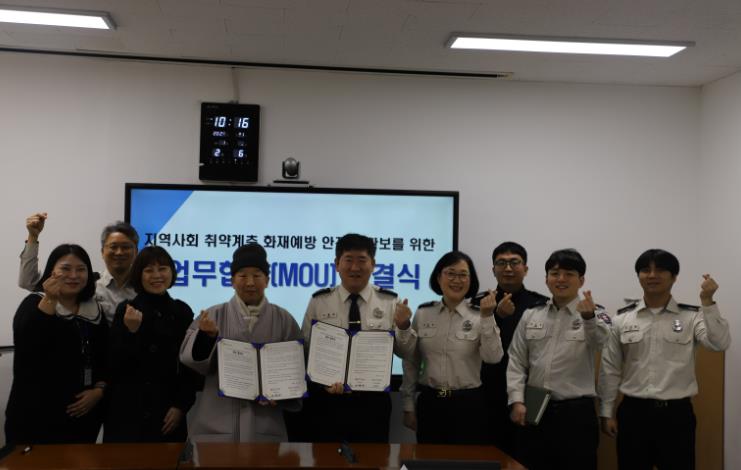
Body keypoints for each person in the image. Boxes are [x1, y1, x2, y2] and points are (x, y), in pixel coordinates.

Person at [597, 249, 731, 470]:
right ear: (638, 276)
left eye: (660, 270)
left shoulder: (692, 316)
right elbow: (610, 368)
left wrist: (708, 302)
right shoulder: (622, 318)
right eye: (645, 270)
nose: (652, 275)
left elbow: (719, 344)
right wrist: (606, 411)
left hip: (676, 416)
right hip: (633, 413)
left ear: (674, 277)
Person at [180, 243, 302, 442]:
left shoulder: (284, 319)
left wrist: (282, 394)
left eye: (257, 275)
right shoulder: (212, 315)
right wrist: (207, 337)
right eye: (242, 276)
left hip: (266, 426)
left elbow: (297, 369)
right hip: (216, 425)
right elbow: (191, 362)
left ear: (267, 280)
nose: (250, 282)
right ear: (232, 280)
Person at [300, 233, 413, 443]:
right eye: (348, 260)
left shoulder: (389, 301)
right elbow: (305, 351)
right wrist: (321, 382)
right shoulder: (319, 301)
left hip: (373, 403)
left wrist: (404, 325)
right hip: (328, 401)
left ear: (373, 264)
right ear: (337, 264)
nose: (355, 267)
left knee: (374, 458)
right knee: (326, 458)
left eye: (362, 260)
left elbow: (406, 352)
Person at [507, 249, 610, 470]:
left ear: (581, 280)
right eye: (555, 273)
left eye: (569, 274)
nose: (561, 279)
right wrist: (516, 400)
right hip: (534, 409)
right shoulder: (531, 314)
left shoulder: (596, 313)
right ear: (546, 279)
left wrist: (589, 319)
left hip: (576, 414)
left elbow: (602, 343)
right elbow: (516, 360)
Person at [5, 244, 108, 445]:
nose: (74, 275)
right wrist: (51, 299)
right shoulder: (33, 303)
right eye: (65, 269)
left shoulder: (94, 308)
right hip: (36, 416)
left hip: (83, 416)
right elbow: (28, 351)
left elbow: (104, 354)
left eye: (81, 269)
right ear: (52, 271)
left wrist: (99, 390)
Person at [399, 251, 503, 444]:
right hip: (431, 402)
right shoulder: (423, 313)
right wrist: (408, 405)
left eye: (463, 275)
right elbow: (411, 362)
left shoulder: (480, 315)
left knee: (466, 459)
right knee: (429, 458)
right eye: (451, 273)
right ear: (439, 277)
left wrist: (488, 317)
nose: (457, 280)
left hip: (468, 405)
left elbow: (493, 357)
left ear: (470, 280)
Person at [104, 246, 198, 443]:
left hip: (168, 410)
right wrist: (131, 332)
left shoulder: (182, 311)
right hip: (129, 412)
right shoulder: (127, 310)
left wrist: (181, 405)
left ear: (172, 272)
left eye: (162, 269)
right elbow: (113, 365)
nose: (156, 275)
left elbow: (189, 367)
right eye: (148, 270)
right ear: (139, 275)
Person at [474, 241, 548, 452]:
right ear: (493, 269)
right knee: (488, 455)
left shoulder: (541, 305)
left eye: (514, 262)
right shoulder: (476, 303)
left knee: (527, 454)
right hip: (487, 391)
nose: (508, 268)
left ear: (525, 269)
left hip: (528, 393)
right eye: (501, 263)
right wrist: (496, 316)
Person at [18, 213, 139, 323]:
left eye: (126, 247)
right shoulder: (88, 282)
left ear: (136, 252)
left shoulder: (143, 286)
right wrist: (33, 237)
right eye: (113, 247)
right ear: (102, 252)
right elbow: (28, 282)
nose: (119, 252)